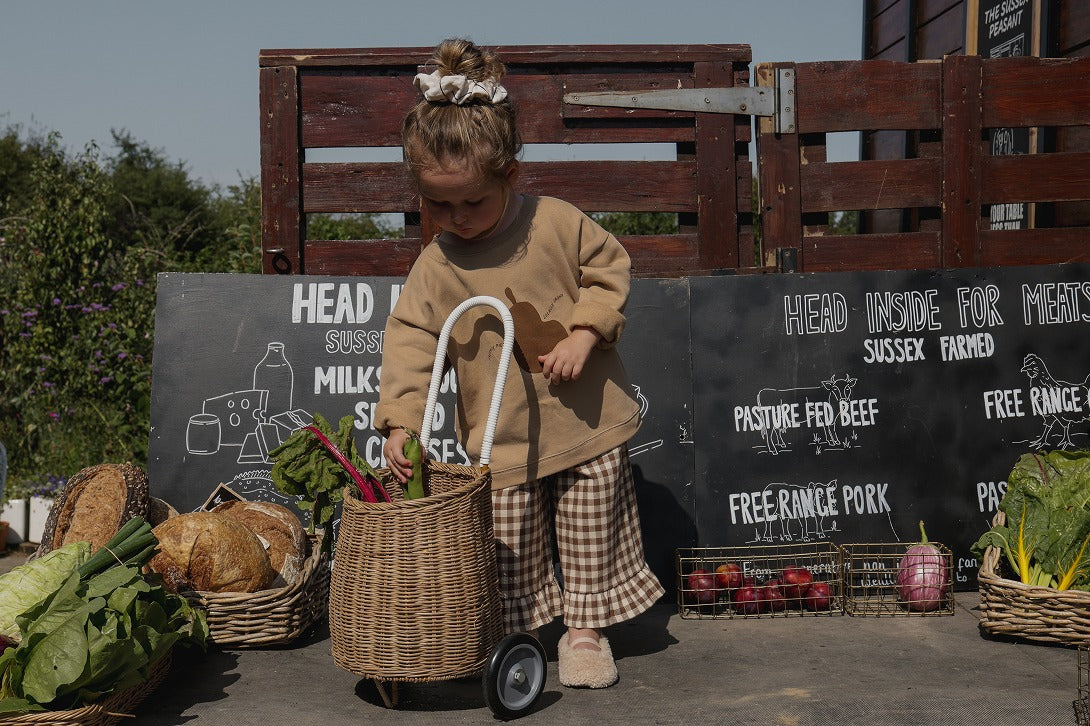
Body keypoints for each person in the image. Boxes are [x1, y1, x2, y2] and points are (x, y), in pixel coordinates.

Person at [374, 38, 664, 690]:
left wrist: (586, 333)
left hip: (583, 423)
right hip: (499, 439)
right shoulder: (436, 266)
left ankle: (586, 632)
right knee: (510, 546)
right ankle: (524, 635)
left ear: (511, 174)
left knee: (590, 534)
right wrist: (401, 420)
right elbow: (414, 342)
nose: (456, 219)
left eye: (472, 202)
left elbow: (609, 268)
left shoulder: (556, 224)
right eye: (438, 205)